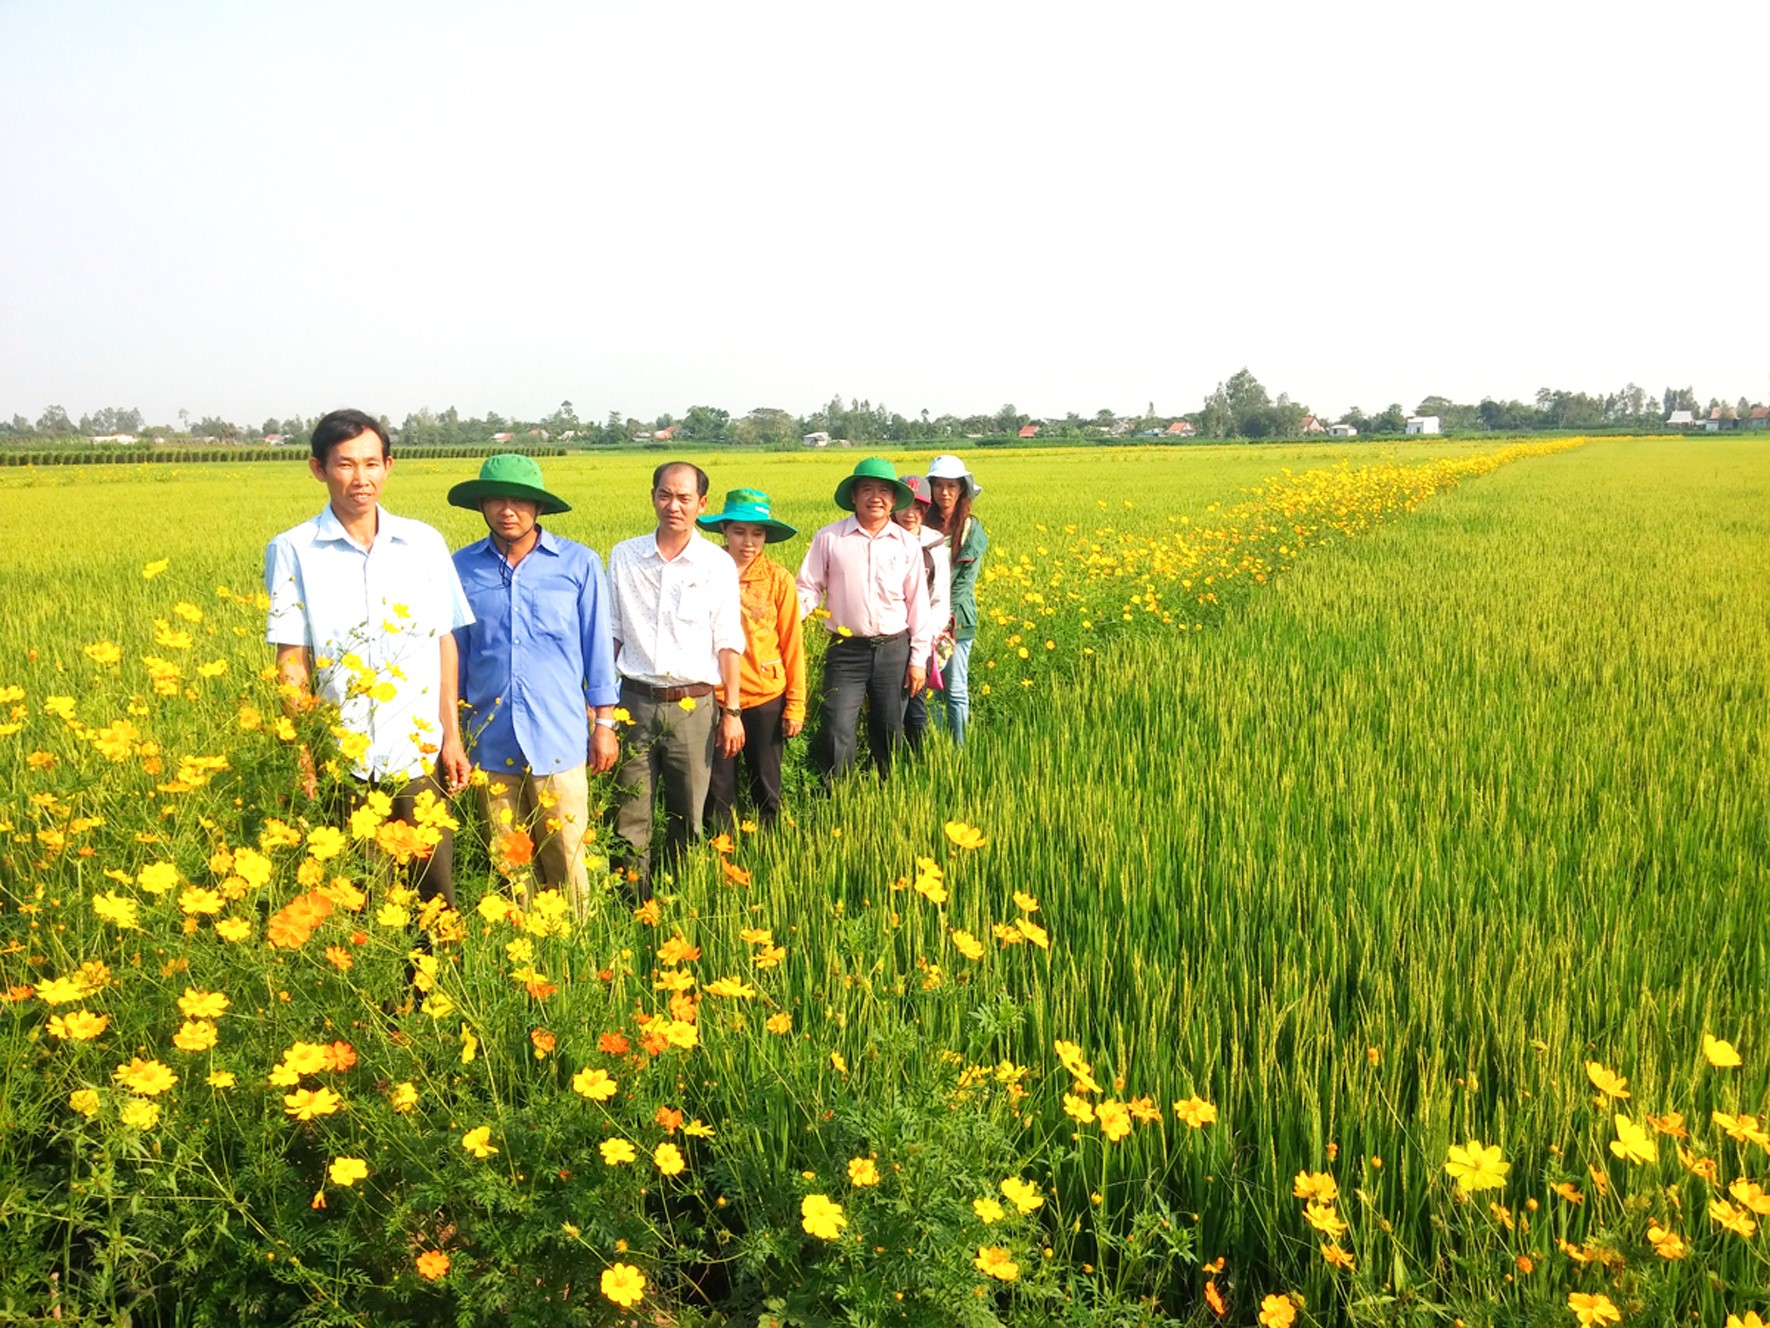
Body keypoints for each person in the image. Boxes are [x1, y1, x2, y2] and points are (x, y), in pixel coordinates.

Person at [264, 407, 473, 905]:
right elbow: (292, 659)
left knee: (434, 897)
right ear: (318, 469)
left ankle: (435, 985)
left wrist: (452, 738)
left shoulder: (423, 542)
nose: (361, 478)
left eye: (371, 463)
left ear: (388, 466)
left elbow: (442, 642)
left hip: (417, 754)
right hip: (345, 758)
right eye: (345, 464)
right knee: (360, 901)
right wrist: (304, 753)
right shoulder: (294, 549)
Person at [448, 454, 619, 914]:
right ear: (481, 506)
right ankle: (527, 957)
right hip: (489, 740)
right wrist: (453, 734)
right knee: (511, 865)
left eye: (520, 500)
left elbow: (597, 648)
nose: (509, 509)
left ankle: (577, 957)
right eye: (497, 499)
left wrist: (605, 723)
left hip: (558, 737)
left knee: (568, 857)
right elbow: (455, 657)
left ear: (538, 508)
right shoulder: (461, 569)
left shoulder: (578, 564)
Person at [606, 461, 746, 896]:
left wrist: (733, 711)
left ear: (702, 505)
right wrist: (601, 710)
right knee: (629, 814)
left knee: (689, 812)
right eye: (666, 495)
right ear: (653, 496)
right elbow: (611, 633)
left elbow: (728, 640)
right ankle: (632, 905)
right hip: (635, 700)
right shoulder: (623, 556)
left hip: (694, 705)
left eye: (685, 498)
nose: (674, 505)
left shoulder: (716, 564)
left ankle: (681, 898)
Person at [795, 456, 931, 784]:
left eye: (884, 490)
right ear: (854, 496)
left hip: (894, 650)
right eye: (867, 489)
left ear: (893, 500)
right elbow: (808, 588)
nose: (876, 497)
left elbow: (918, 606)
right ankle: (838, 795)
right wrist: (784, 619)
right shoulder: (829, 538)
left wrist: (918, 660)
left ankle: (886, 792)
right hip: (846, 651)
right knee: (837, 725)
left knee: (888, 728)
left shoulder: (907, 544)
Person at [696, 488, 807, 828]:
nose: (748, 542)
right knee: (717, 788)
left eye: (757, 533)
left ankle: (768, 853)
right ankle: (720, 854)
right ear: (724, 531)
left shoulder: (778, 580)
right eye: (739, 531)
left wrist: (796, 704)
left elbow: (792, 643)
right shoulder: (702, 573)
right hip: (713, 696)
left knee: (766, 784)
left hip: (765, 697)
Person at [925, 454, 988, 747]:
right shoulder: (920, 524)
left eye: (951, 486)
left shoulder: (971, 529)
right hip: (922, 620)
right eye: (938, 486)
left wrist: (938, 617)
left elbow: (963, 584)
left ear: (961, 489)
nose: (944, 493)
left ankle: (959, 749)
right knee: (932, 689)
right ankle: (938, 747)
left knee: (955, 688)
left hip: (957, 621)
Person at [894, 474, 951, 753]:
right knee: (887, 707)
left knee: (915, 707)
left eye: (918, 507)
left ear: (926, 510)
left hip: (921, 639)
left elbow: (941, 599)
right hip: (888, 636)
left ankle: (916, 763)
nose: (910, 514)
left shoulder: (935, 546)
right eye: (905, 505)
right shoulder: (881, 540)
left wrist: (926, 638)